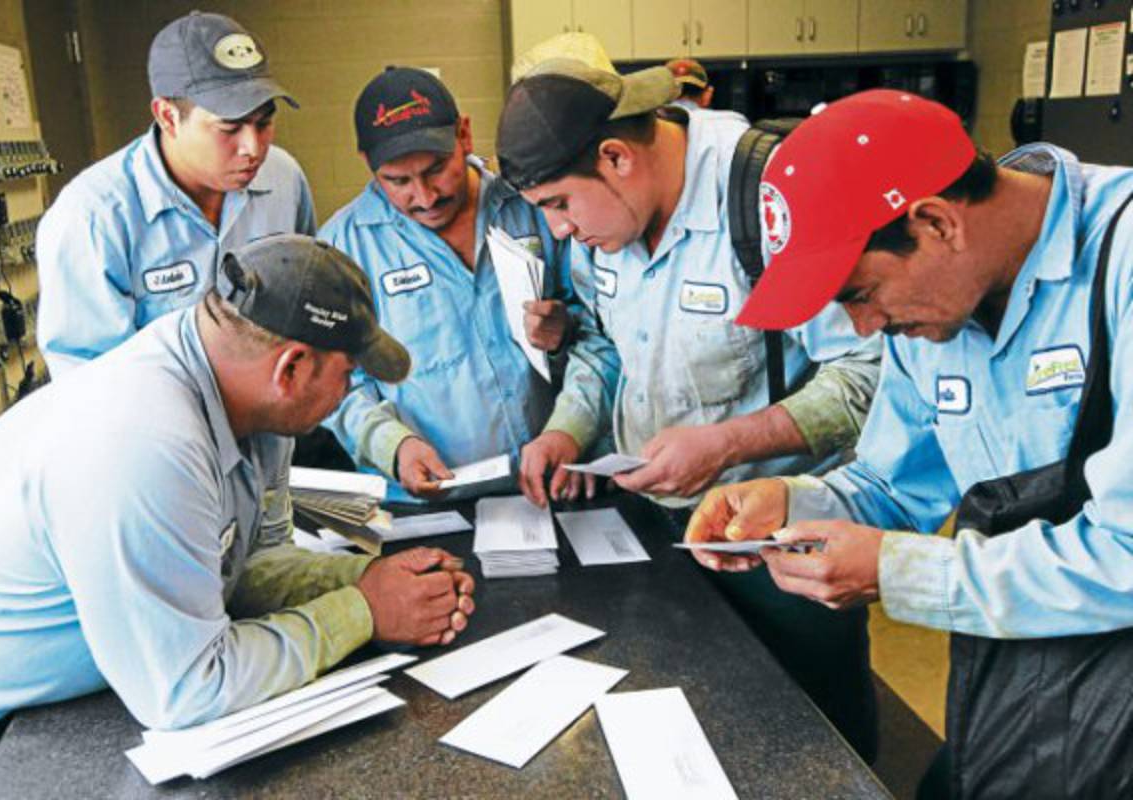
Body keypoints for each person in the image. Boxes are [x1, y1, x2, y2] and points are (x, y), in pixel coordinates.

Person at [685, 89, 1133, 797]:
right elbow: (896, 486)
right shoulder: (931, 313)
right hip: (1031, 676)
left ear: (935, 223)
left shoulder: (1122, 264)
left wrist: (898, 573)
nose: (862, 329)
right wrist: (793, 498)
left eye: (860, 293)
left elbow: (1127, 554)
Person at [0, 235, 475, 800]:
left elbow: (240, 568)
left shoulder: (250, 401)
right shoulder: (141, 438)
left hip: (29, 705)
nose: (350, 391)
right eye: (348, 373)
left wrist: (364, 578)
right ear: (291, 367)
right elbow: (187, 690)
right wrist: (364, 610)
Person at [495, 35, 882, 759]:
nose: (560, 230)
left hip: (776, 547)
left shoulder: (769, 195)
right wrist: (569, 430)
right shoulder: (596, 224)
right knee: (697, 741)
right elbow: (604, 345)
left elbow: (870, 377)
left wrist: (731, 443)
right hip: (654, 531)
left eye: (558, 206)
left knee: (814, 750)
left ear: (616, 157)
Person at [319, 67, 619, 502]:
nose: (425, 196)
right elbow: (335, 382)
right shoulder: (342, 249)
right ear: (368, 164)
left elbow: (603, 334)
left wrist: (570, 409)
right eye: (398, 181)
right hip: (426, 503)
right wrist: (392, 445)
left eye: (437, 169)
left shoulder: (536, 207)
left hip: (555, 484)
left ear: (464, 135)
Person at [36, 11, 316, 376]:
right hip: (161, 428)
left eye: (264, 123)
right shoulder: (93, 218)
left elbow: (308, 296)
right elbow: (94, 384)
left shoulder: (284, 179)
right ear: (168, 117)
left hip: (273, 426)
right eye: (229, 128)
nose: (252, 147)